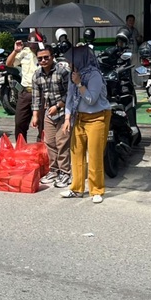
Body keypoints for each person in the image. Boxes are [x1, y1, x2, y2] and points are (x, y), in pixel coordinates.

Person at [60, 46, 112, 204]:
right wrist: (67, 119)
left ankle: (96, 190)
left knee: (95, 155)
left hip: (97, 118)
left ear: (79, 60)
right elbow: (70, 98)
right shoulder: (73, 75)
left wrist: (79, 83)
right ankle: (76, 189)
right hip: (79, 118)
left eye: (71, 60)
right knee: (76, 154)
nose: (68, 64)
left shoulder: (94, 75)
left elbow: (91, 99)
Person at [30, 45, 72, 188]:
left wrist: (58, 105)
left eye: (46, 57)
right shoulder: (36, 75)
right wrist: (35, 116)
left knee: (62, 143)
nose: (43, 60)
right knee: (50, 143)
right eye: (40, 58)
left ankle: (65, 172)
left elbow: (70, 94)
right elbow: (36, 98)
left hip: (63, 112)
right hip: (49, 113)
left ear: (52, 57)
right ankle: (54, 171)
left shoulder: (62, 72)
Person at [6, 32, 40, 142]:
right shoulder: (24, 52)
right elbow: (9, 64)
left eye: (36, 44)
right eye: (31, 44)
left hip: (40, 92)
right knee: (20, 123)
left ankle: (41, 148)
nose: (33, 46)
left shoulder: (43, 53)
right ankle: (21, 148)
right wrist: (15, 51)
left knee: (41, 123)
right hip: (25, 92)